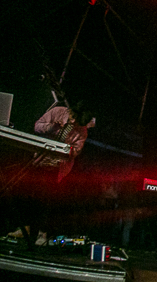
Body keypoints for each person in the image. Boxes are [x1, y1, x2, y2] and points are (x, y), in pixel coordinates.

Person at [8, 102, 95, 246]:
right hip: (39, 160)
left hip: (56, 167)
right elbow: (37, 126)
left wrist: (67, 149)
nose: (74, 121)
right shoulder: (57, 112)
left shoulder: (82, 130)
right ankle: (25, 228)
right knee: (28, 196)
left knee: (45, 201)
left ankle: (42, 233)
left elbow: (77, 150)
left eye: (77, 121)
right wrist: (51, 127)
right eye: (73, 117)